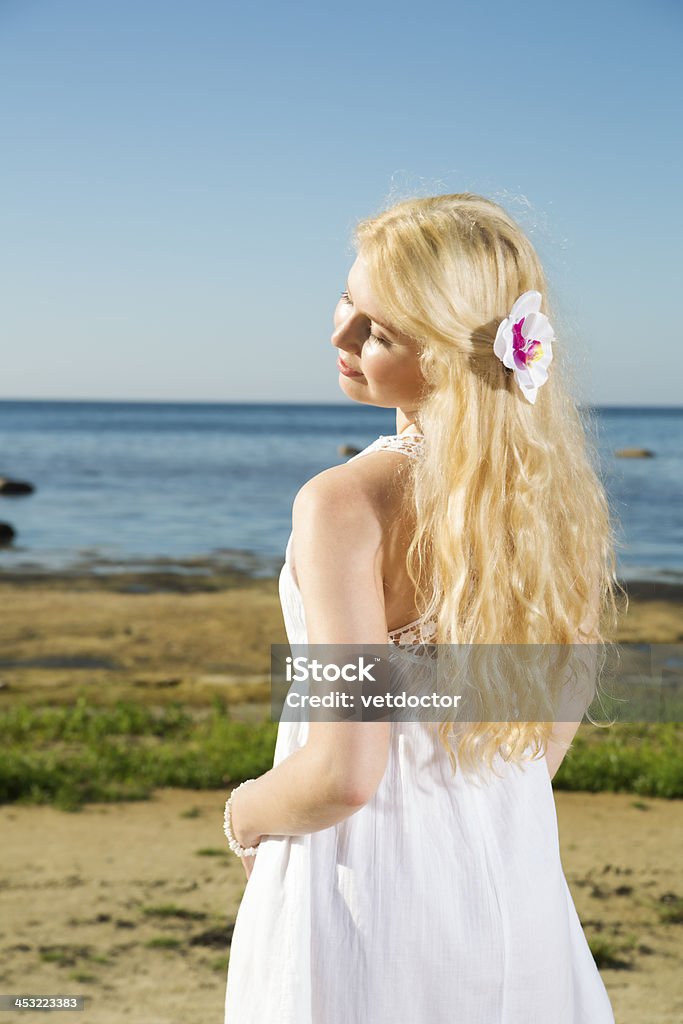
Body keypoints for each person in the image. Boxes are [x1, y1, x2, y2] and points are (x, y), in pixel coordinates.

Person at [223, 192, 624, 1023]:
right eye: (347, 301)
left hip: (364, 887)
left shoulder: (344, 503)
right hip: (511, 874)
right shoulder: (552, 498)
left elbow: (344, 774)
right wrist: (479, 809)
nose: (339, 335)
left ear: (448, 357)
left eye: (377, 332)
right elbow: (555, 713)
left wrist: (247, 811)